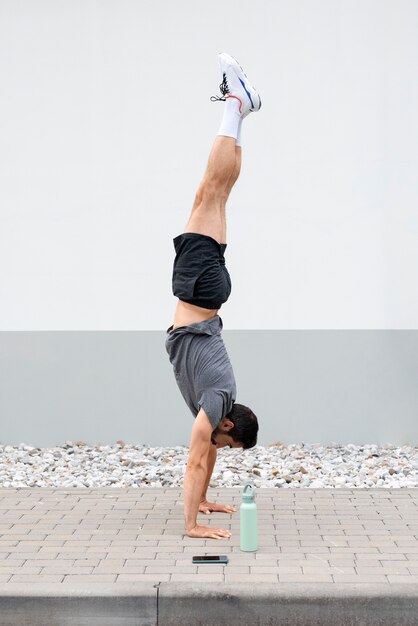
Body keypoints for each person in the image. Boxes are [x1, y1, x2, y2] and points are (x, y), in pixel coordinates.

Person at [165, 53, 261, 540]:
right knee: (211, 193)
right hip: (199, 289)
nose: (218, 451)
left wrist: (205, 500)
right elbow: (196, 459)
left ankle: (239, 110)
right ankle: (234, 105)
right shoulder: (214, 406)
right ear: (228, 424)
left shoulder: (219, 402)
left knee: (213, 192)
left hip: (208, 293)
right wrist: (193, 526)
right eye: (228, 444)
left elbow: (206, 459)